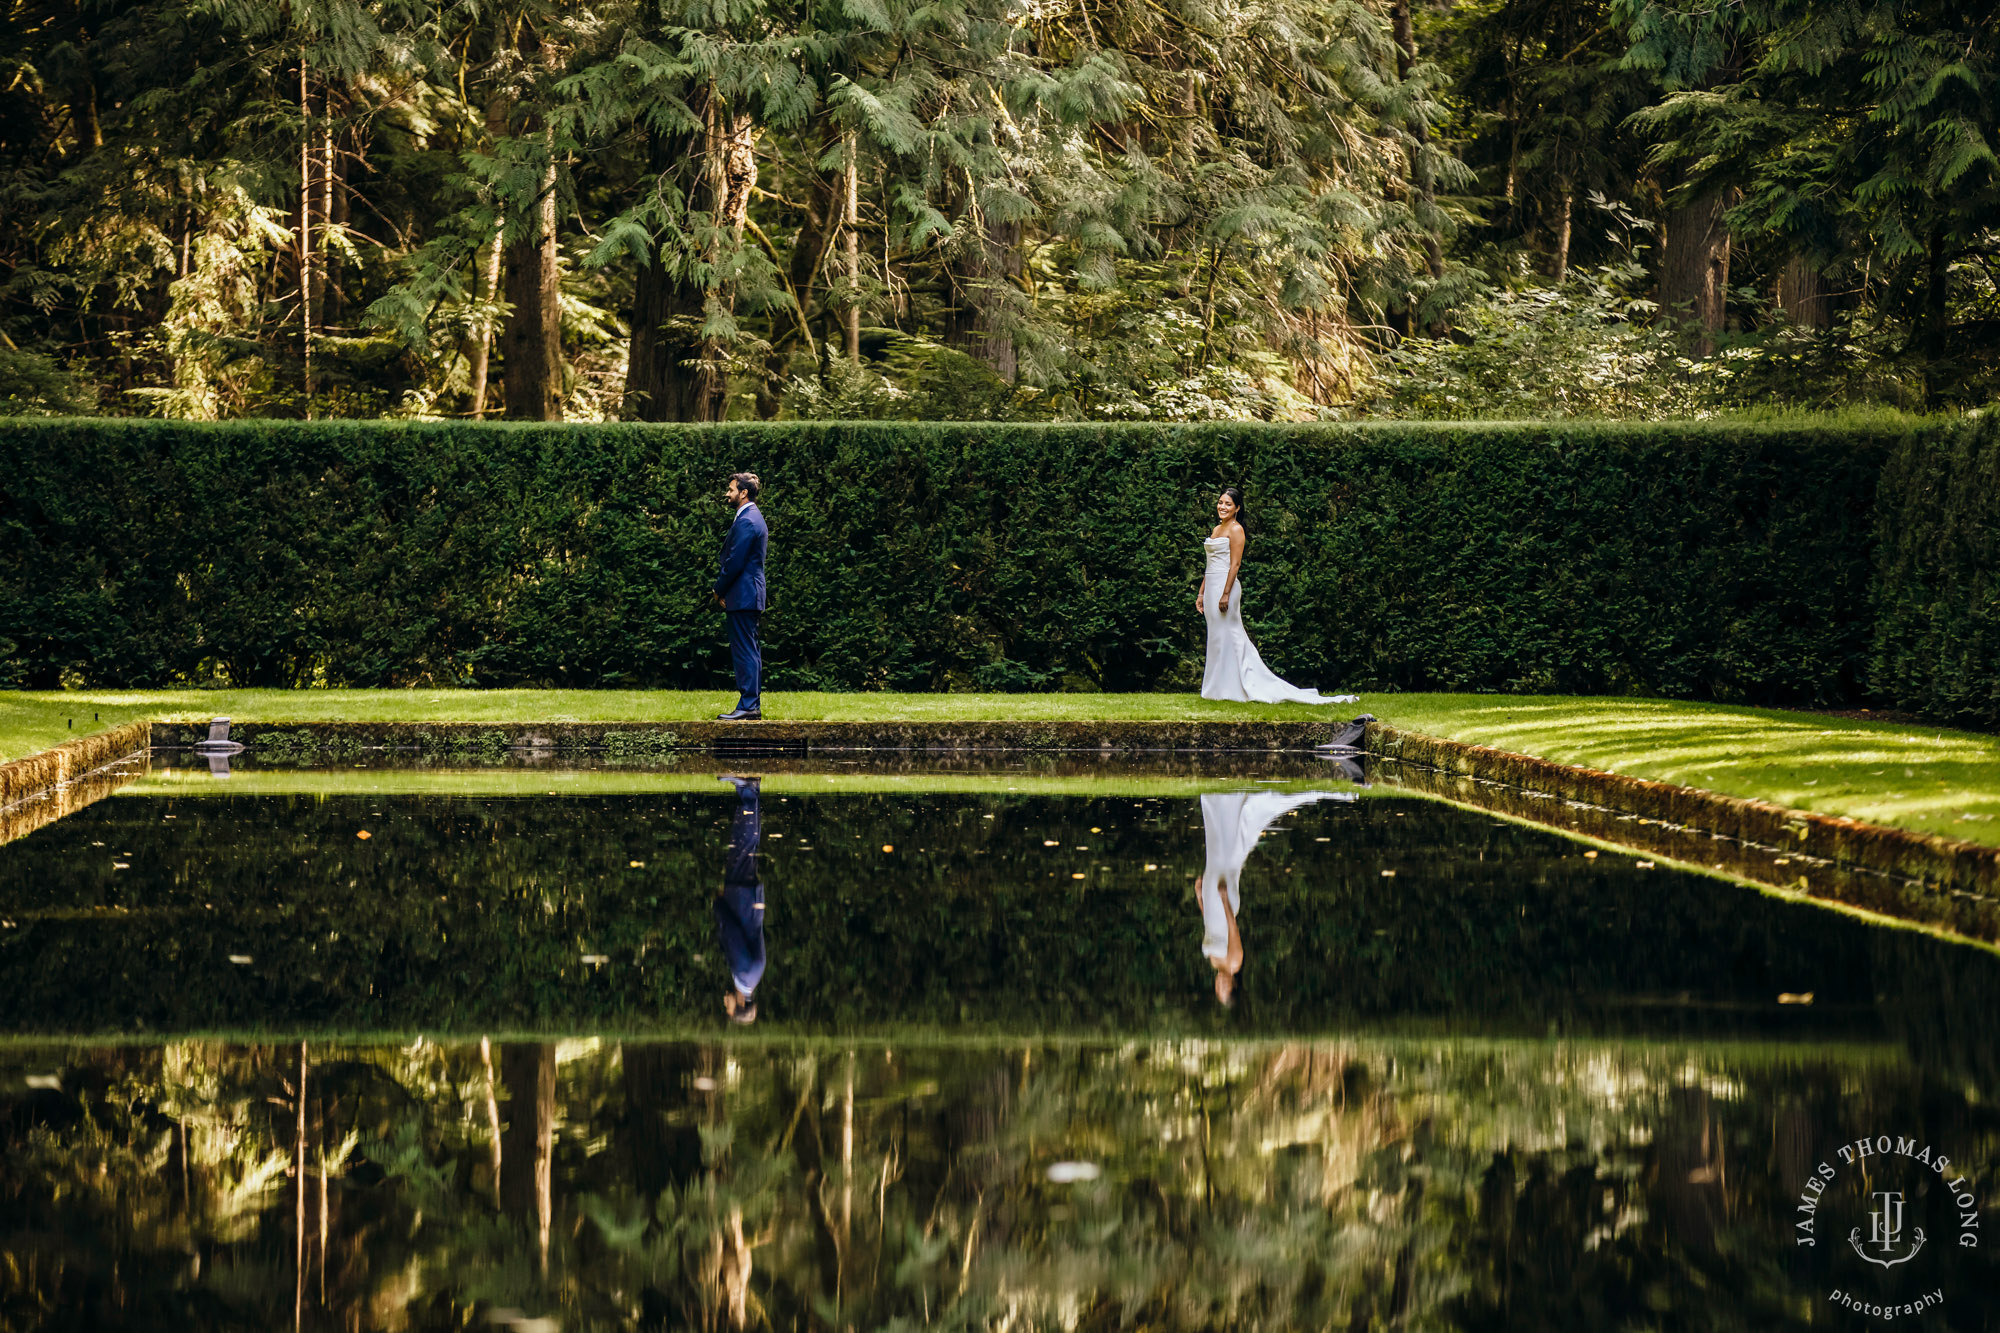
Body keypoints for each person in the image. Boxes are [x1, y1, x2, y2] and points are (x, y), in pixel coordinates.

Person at [1197, 486, 1358, 704]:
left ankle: (1241, 685)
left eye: (1228, 504)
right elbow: (1210, 564)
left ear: (1237, 508)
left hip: (1226, 587)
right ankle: (1217, 687)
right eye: (1220, 502)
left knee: (1231, 635)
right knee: (1216, 638)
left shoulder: (1236, 530)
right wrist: (1201, 592)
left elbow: (1235, 564)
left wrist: (1225, 593)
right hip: (1211, 586)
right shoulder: (1216, 529)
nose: (1222, 507)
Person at [1197, 789, 1352, 1005]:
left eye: (1218, 989)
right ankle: (1229, 805)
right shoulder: (1234, 961)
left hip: (1212, 896)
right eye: (1224, 988)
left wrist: (1201, 898)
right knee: (1227, 850)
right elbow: (1232, 928)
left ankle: (1218, 802)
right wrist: (1223, 899)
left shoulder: (1215, 963)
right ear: (1233, 983)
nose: (1219, 985)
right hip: (1225, 901)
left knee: (1215, 850)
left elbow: (1209, 927)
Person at [714, 473, 768, 721]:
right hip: (749, 594)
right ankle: (751, 704)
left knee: (745, 651)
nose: (728, 493)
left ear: (743, 493)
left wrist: (719, 589)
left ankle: (748, 706)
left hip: (744, 594)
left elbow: (735, 561)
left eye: (731, 489)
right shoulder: (751, 518)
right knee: (750, 650)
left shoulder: (747, 521)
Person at [715, 775, 766, 1024]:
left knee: (746, 846)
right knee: (743, 844)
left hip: (749, 900)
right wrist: (718, 906)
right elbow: (732, 934)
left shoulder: (751, 977)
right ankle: (748, 792)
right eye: (728, 1007)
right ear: (740, 1004)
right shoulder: (744, 974)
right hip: (741, 899)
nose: (725, 1003)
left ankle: (749, 792)